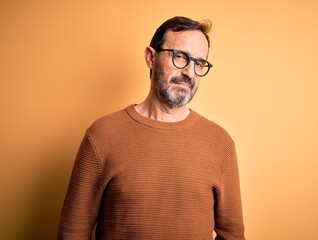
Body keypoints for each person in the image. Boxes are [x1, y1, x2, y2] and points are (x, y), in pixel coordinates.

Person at [57, 16, 246, 240]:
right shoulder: (102, 135)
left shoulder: (220, 143)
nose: (190, 73)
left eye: (199, 63)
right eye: (180, 57)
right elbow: (72, 232)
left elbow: (232, 235)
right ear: (151, 57)